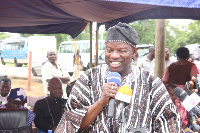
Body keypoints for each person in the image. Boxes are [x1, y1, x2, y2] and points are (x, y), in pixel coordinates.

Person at [55, 22, 182, 132]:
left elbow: (169, 122)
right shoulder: (88, 79)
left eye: (121, 51)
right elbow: (71, 124)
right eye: (109, 50)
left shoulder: (151, 82)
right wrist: (100, 102)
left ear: (134, 52)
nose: (114, 56)